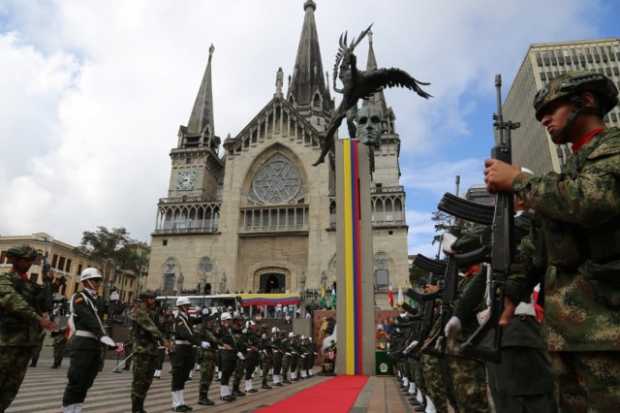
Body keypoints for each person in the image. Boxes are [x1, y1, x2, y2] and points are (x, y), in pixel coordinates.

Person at [484, 71, 620, 411]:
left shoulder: (612, 146)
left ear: (585, 101)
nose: (544, 118)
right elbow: (540, 243)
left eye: (552, 108)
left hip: (608, 327)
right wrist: (512, 294)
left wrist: (519, 182)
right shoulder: (571, 166)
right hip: (568, 332)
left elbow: (592, 199)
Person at [0, 246, 56, 412]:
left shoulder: (32, 286)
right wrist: (39, 319)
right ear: (15, 260)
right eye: (26, 260)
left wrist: (47, 282)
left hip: (24, 345)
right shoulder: (4, 280)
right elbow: (14, 302)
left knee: (10, 390)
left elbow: (46, 305)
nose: (29, 263)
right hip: (5, 344)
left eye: (31, 261)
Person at [62, 267, 116, 413]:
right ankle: (68, 410)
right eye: (95, 280)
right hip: (82, 343)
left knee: (87, 380)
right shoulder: (79, 297)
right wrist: (102, 335)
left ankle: (77, 409)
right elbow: (88, 318)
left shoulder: (98, 300)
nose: (98, 283)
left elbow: (106, 317)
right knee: (76, 380)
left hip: (94, 345)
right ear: (86, 281)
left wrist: (114, 303)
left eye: (99, 280)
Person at [130, 290, 164, 413]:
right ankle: (136, 409)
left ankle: (140, 407)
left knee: (147, 381)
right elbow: (150, 326)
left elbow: (159, 326)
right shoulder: (138, 310)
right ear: (145, 299)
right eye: (151, 298)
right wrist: (163, 339)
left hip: (151, 350)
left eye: (154, 298)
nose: (154, 300)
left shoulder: (152, 312)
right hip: (142, 351)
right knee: (139, 381)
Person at [170, 296, 205, 412]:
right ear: (181, 306)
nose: (188, 307)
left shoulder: (186, 317)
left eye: (188, 306)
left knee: (184, 375)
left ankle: (181, 402)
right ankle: (176, 403)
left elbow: (195, 321)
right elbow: (185, 334)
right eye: (186, 306)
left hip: (187, 348)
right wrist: (199, 342)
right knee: (178, 375)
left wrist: (206, 316)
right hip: (180, 348)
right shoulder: (179, 318)